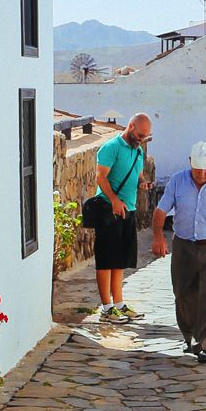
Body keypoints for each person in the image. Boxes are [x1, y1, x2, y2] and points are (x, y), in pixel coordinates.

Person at [152, 139, 206, 361]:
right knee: (183, 293)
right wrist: (157, 236)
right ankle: (189, 335)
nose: (201, 175)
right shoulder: (177, 181)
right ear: (190, 162)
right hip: (183, 246)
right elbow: (161, 210)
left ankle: (205, 343)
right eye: (197, 170)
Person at [90, 113, 151, 322]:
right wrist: (114, 200)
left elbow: (139, 176)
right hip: (108, 208)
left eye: (146, 136)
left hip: (128, 209)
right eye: (140, 134)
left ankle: (119, 304)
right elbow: (100, 176)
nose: (142, 139)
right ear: (131, 126)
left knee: (120, 260)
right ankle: (106, 308)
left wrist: (143, 183)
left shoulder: (138, 151)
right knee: (106, 259)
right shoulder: (111, 147)